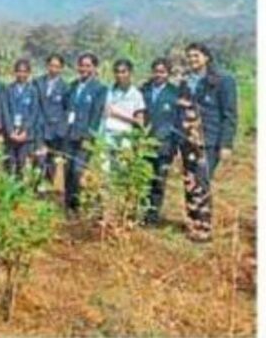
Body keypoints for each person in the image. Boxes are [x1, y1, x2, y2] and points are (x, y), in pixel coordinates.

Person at [176, 42, 237, 242]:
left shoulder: (223, 80)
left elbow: (229, 115)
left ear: (206, 57)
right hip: (187, 139)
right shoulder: (185, 81)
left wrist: (226, 144)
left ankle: (204, 228)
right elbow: (181, 110)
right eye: (189, 56)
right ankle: (192, 223)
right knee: (190, 182)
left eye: (196, 56)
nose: (192, 60)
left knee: (202, 181)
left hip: (209, 139)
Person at [63, 53, 107, 214]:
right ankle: (67, 206)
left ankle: (76, 205)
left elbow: (96, 115)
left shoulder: (99, 89)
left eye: (88, 66)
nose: (84, 69)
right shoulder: (72, 85)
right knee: (67, 170)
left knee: (77, 170)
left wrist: (89, 136)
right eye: (82, 65)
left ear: (94, 68)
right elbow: (66, 107)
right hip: (69, 134)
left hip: (84, 138)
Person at [140, 58, 180, 226]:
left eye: (162, 72)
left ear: (168, 74)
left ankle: (152, 217)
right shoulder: (143, 90)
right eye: (156, 71)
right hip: (144, 143)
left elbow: (178, 122)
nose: (158, 75)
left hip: (165, 145)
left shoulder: (175, 93)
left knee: (158, 181)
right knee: (143, 180)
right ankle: (141, 214)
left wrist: (176, 147)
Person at [1, 59, 43, 176]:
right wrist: (10, 131)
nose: (22, 74)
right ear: (14, 72)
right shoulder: (8, 89)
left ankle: (21, 186)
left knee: (22, 164)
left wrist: (25, 131)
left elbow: (34, 113)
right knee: (9, 164)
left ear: (29, 73)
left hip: (26, 136)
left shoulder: (33, 91)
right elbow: (5, 111)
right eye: (19, 71)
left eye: (24, 72)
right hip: (10, 135)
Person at [33, 53, 69, 182]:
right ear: (47, 66)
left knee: (53, 163)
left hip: (56, 132)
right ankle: (36, 187)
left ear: (61, 68)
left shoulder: (65, 87)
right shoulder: (37, 83)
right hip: (39, 129)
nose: (54, 69)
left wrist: (62, 130)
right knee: (38, 161)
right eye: (51, 65)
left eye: (57, 66)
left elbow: (66, 110)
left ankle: (50, 188)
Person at [101, 59, 146, 144]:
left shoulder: (136, 95)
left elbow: (140, 121)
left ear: (130, 73)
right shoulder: (108, 91)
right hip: (107, 134)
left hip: (125, 137)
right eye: (117, 72)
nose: (120, 75)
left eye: (123, 72)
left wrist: (118, 115)